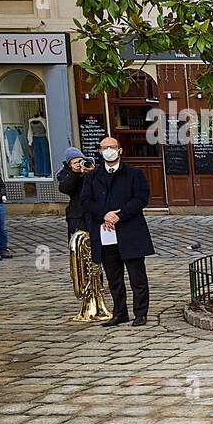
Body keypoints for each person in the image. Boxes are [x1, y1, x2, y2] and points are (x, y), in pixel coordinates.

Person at [82, 137, 155, 327]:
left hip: (130, 232)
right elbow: (86, 201)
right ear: (100, 151)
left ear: (120, 150)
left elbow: (141, 198)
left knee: (137, 277)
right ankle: (119, 312)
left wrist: (119, 215)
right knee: (114, 278)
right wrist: (105, 215)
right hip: (105, 233)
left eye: (112, 147)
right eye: (104, 148)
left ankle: (140, 313)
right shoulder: (92, 176)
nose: (108, 151)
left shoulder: (133, 173)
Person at [56, 147, 92, 239]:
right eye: (75, 162)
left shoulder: (91, 167)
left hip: (93, 212)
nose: (79, 164)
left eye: (80, 161)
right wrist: (74, 173)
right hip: (77, 214)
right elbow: (64, 189)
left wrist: (90, 171)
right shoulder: (65, 173)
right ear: (69, 165)